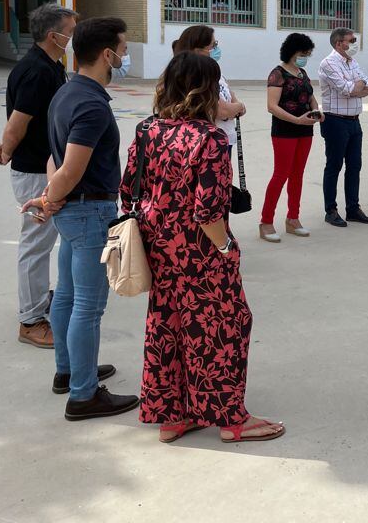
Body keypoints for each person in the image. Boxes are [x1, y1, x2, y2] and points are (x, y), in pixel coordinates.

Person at [119, 52, 284, 444]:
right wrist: (227, 247)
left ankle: (175, 415)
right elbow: (208, 210)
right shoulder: (208, 138)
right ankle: (231, 418)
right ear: (206, 89)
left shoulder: (147, 130)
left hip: (158, 245)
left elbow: (128, 191)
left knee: (169, 324)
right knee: (224, 326)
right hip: (200, 250)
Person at [21, 17, 140, 420]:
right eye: (123, 51)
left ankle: (69, 372)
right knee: (88, 306)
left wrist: (51, 199)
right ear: (106, 54)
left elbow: (55, 157)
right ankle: (84, 394)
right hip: (88, 210)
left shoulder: (67, 92)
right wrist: (48, 198)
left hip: (74, 211)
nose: (125, 57)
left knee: (69, 297)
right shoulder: (90, 104)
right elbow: (70, 167)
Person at [0, 3, 77, 350]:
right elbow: (18, 121)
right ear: (53, 35)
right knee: (36, 245)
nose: (73, 37)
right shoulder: (37, 71)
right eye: (70, 30)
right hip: (34, 173)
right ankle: (30, 319)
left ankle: (38, 298)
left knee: (42, 242)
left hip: (44, 167)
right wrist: (7, 151)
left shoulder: (48, 66)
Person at [260, 33, 323, 242]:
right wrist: (296, 120)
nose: (305, 57)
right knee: (281, 175)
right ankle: (266, 221)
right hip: (285, 131)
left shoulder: (302, 73)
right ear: (291, 51)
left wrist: (316, 111)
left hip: (305, 130)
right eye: (302, 53)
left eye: (308, 54)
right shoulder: (277, 74)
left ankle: (293, 218)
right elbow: (272, 106)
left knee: (297, 175)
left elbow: (312, 98)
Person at [318, 27, 368, 227]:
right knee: (334, 166)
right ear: (338, 43)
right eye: (351, 41)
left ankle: (353, 208)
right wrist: (356, 86)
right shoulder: (328, 63)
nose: (354, 44)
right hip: (335, 121)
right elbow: (346, 89)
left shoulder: (353, 62)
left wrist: (356, 87)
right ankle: (331, 210)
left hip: (354, 121)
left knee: (354, 166)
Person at [171, 25, 246, 148]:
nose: (216, 49)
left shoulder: (216, 73)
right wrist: (239, 106)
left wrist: (235, 107)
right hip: (207, 142)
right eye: (213, 45)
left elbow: (231, 97)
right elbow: (222, 111)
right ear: (198, 51)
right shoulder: (195, 78)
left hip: (224, 137)